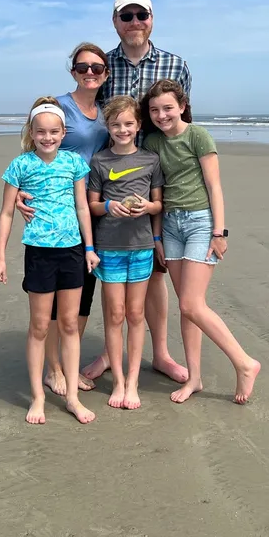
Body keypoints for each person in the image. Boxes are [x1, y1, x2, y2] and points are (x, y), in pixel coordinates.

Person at [82, 0, 192, 385]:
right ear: (115, 22)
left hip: (157, 177)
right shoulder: (102, 65)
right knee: (110, 269)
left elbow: (181, 123)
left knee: (155, 270)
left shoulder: (174, 64)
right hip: (108, 179)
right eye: (125, 16)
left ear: (151, 17)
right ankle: (110, 354)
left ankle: (159, 353)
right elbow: (85, 116)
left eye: (140, 14)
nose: (133, 22)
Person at [140, 79, 261, 405]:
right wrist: (156, 237)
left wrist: (219, 233)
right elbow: (157, 194)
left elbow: (214, 186)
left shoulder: (198, 135)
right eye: (154, 110)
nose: (161, 115)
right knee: (188, 308)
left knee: (192, 304)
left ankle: (244, 363)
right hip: (170, 226)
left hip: (200, 223)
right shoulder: (152, 143)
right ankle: (194, 377)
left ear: (181, 106)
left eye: (167, 108)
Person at [0, 97, 100, 425]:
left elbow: (82, 207)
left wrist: (90, 248)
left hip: (72, 252)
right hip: (39, 253)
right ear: (32, 132)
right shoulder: (20, 165)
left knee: (68, 324)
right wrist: (0, 258)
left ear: (63, 132)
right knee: (40, 325)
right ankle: (38, 397)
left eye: (54, 132)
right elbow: (7, 212)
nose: (48, 137)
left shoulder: (74, 164)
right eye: (41, 132)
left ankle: (72, 398)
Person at [14, 43, 110, 397]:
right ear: (73, 71)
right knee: (51, 302)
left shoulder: (102, 111)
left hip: (90, 210)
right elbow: (37, 142)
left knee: (81, 293)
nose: (90, 72)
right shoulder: (59, 106)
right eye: (83, 67)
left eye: (97, 68)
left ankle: (67, 362)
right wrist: (23, 192)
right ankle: (53, 369)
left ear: (105, 73)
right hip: (55, 215)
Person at [87, 95, 164, 410]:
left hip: (141, 247)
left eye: (128, 124)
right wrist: (109, 206)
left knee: (135, 314)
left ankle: (133, 382)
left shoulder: (150, 161)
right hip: (110, 248)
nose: (122, 129)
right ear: (108, 126)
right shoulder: (100, 161)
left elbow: (159, 204)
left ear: (138, 125)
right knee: (115, 314)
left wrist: (147, 207)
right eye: (116, 124)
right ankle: (117, 380)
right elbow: (92, 204)